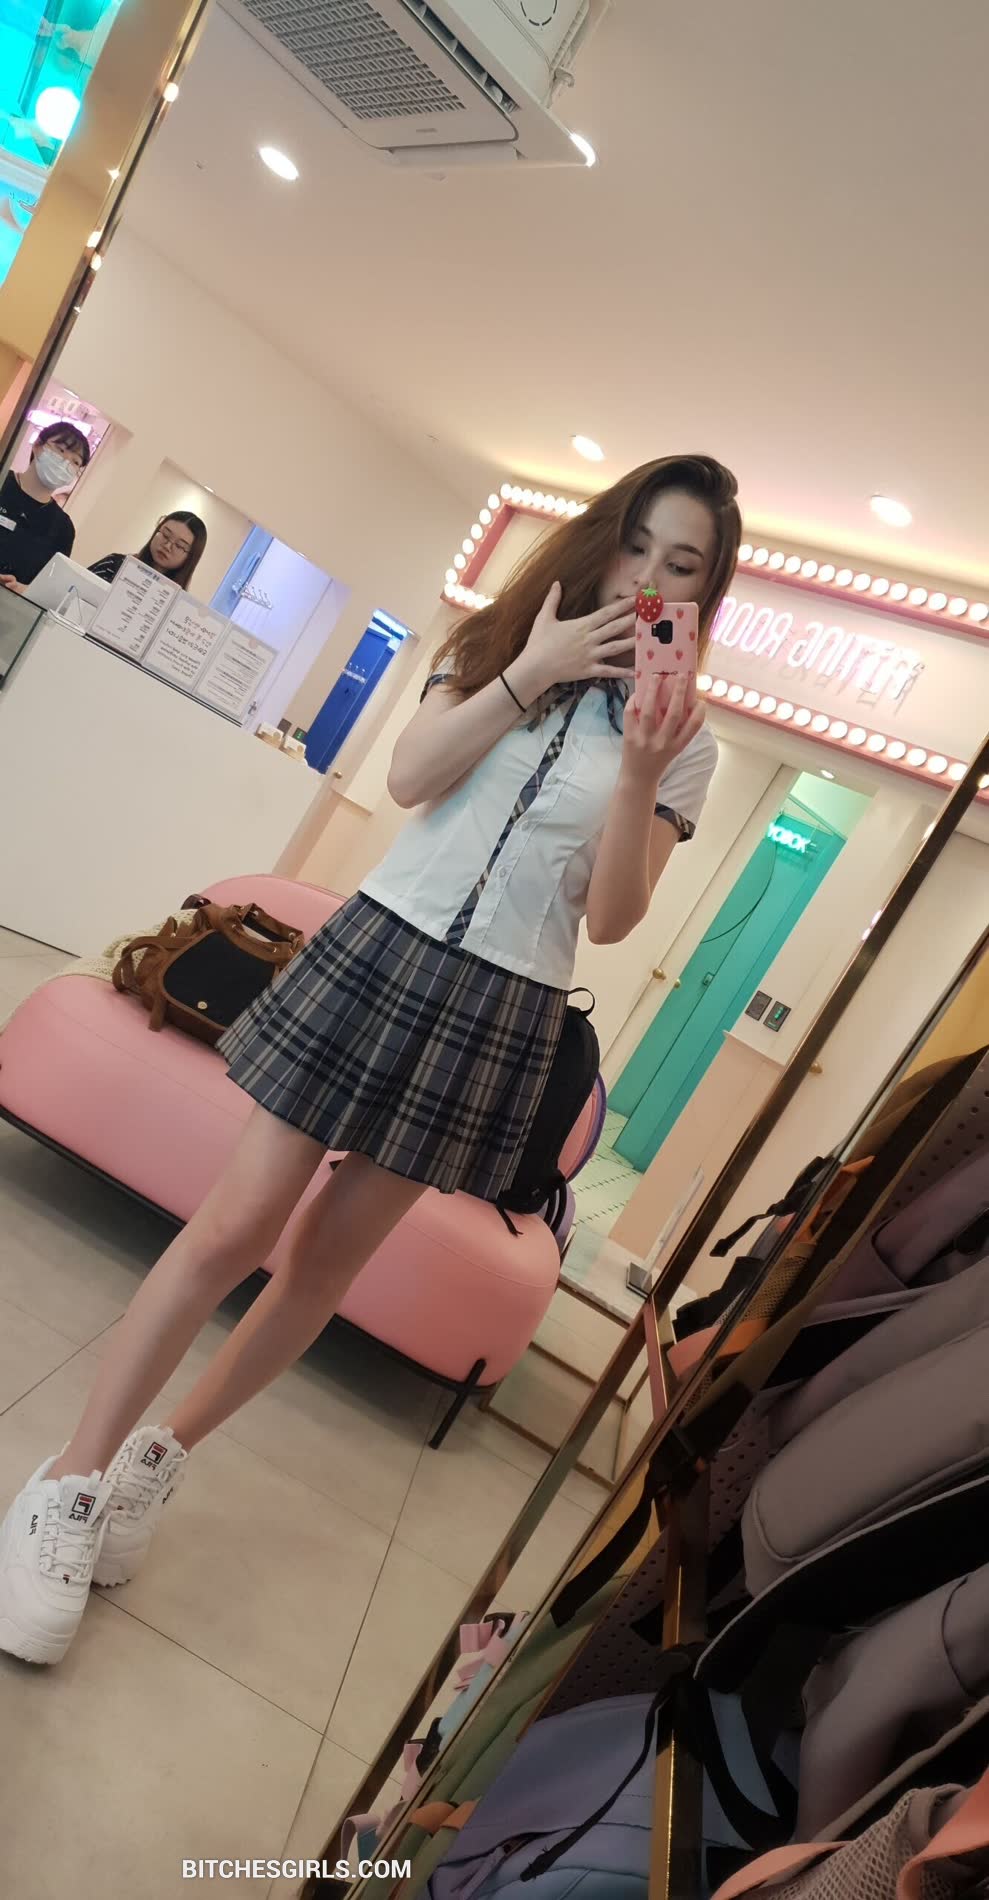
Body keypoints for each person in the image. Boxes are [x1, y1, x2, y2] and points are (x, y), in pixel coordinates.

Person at [0, 453, 742, 1666]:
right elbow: (406, 778)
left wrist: (643, 772)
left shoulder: (685, 746)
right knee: (235, 1226)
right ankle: (69, 1479)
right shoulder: (499, 639)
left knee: (321, 1266)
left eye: (683, 565)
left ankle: (154, 1459)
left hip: (502, 1004)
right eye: (636, 545)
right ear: (601, 539)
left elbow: (612, 919)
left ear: (705, 593)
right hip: (382, 947)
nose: (647, 579)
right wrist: (532, 671)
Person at [0, 421, 90, 590]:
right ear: (37, 446)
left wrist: (23, 589)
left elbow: (51, 587)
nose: (65, 462)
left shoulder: (63, 528)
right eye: (61, 450)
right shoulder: (3, 480)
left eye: (75, 462)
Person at [89, 510, 207, 590]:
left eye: (179, 546)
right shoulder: (115, 564)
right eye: (165, 535)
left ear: (190, 557)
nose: (167, 546)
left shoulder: (178, 605)